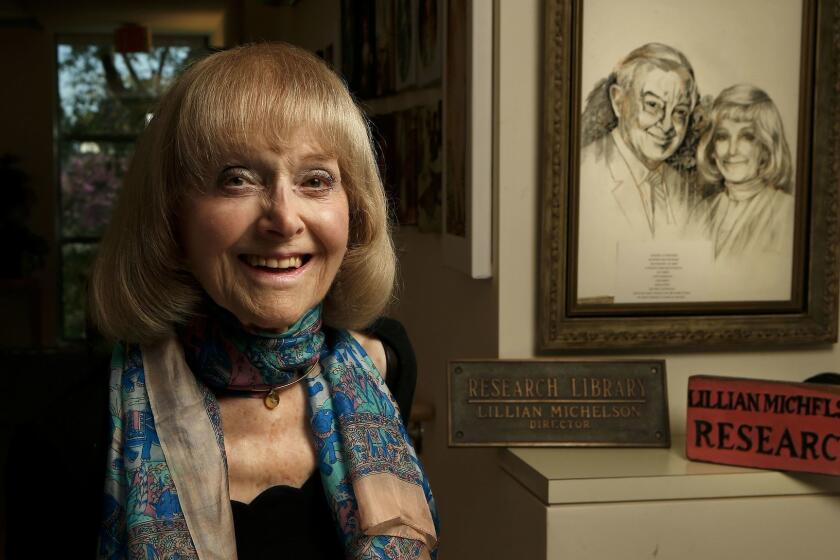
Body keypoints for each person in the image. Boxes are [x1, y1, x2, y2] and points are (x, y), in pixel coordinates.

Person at [87, 43, 439, 559]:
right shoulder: (77, 429)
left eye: (315, 180)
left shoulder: (385, 365)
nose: (284, 219)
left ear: (355, 211)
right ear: (171, 217)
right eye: (237, 179)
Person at [577, 43, 700, 301]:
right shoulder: (583, 173)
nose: (667, 126)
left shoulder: (683, 189)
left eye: (680, 112)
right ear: (618, 101)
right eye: (653, 105)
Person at [688, 84, 794, 260]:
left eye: (747, 136)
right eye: (722, 136)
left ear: (766, 148)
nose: (732, 150)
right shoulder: (701, 212)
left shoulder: (787, 213)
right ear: (712, 148)